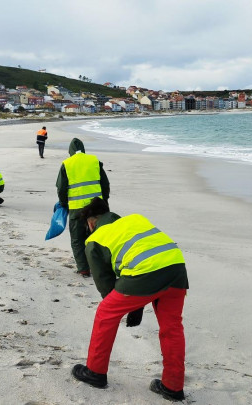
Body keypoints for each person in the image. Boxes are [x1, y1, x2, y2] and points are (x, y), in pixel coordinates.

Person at [71, 197, 189, 402]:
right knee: (172, 328)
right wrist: (136, 304)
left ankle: (95, 372)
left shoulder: (95, 239)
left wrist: (133, 306)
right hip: (176, 267)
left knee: (106, 313)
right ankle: (173, 387)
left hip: (145, 272)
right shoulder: (135, 219)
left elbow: (106, 286)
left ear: (91, 222)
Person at [56, 138, 110, 277]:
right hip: (97, 208)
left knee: (77, 239)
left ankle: (83, 268)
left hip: (77, 208)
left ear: (70, 151)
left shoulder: (67, 164)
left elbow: (61, 188)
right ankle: (101, 267)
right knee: (98, 237)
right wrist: (105, 202)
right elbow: (105, 184)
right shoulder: (94, 161)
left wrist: (63, 204)